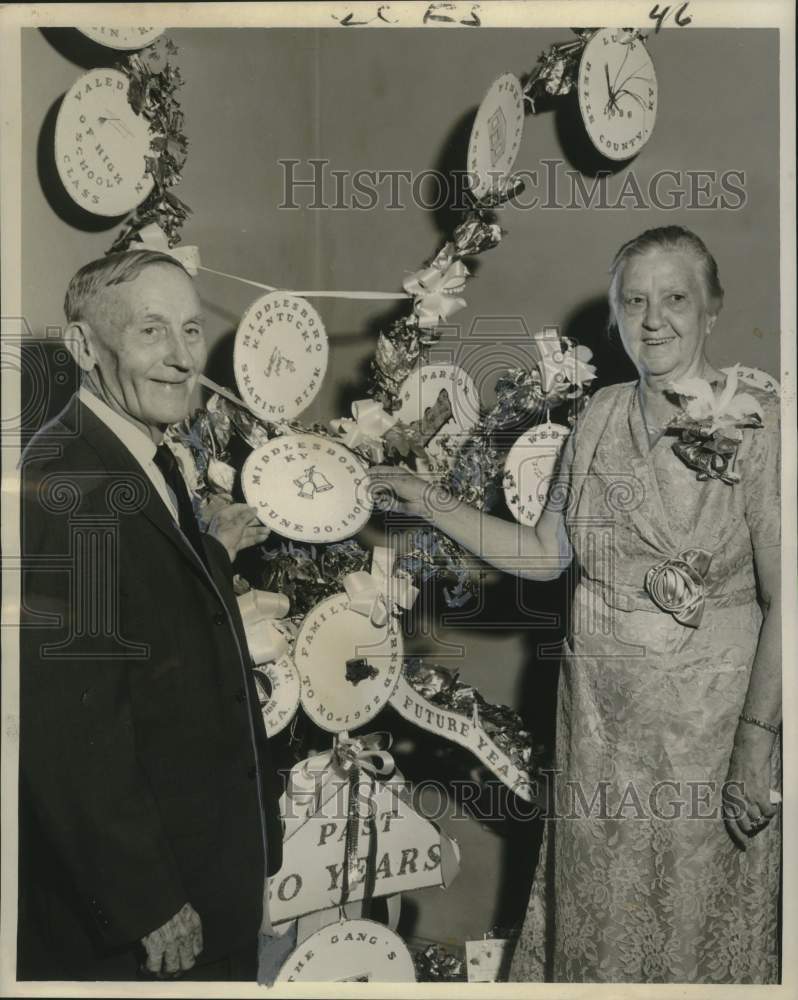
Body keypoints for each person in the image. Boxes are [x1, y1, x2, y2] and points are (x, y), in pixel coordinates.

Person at [371, 226, 781, 983]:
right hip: (599, 725)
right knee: (603, 924)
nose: (653, 319)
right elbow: (546, 553)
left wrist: (757, 744)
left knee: (697, 928)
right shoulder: (597, 418)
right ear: (616, 317)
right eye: (634, 301)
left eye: (675, 299)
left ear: (712, 310)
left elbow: (788, 599)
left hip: (712, 733)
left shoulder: (761, 425)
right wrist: (427, 500)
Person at [18, 250, 284, 981]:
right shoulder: (70, 482)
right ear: (83, 347)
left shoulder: (140, 457)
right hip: (152, 912)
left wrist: (215, 550)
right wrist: (146, 900)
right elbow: (69, 728)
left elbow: (160, 615)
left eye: (192, 331)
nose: (180, 358)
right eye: (150, 332)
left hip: (204, 874)